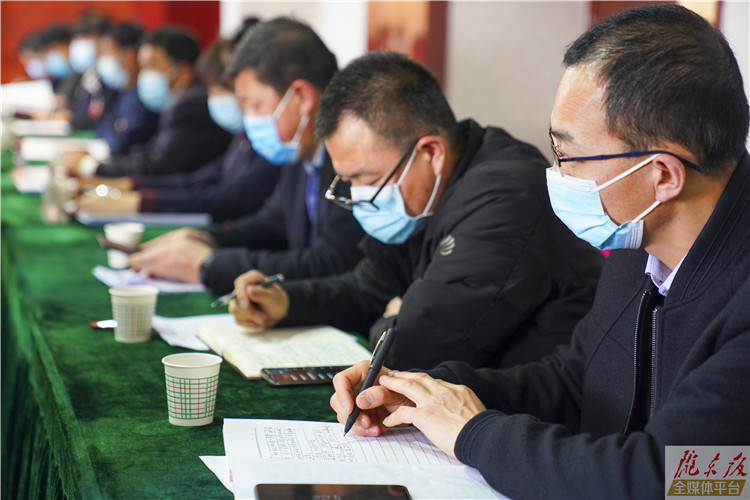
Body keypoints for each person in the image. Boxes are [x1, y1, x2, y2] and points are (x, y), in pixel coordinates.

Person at [329, 5, 750, 497]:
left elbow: (671, 480)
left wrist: (474, 433)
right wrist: (428, 391)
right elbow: (574, 381)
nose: (556, 174)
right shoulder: (642, 241)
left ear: (662, 176)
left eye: (568, 156)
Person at [229, 51, 604, 370]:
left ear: (431, 153)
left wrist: (392, 319)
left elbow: (410, 350)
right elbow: (368, 288)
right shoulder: (422, 197)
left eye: (367, 178)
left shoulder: (505, 199)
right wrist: (287, 301)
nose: (358, 195)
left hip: (548, 412)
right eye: (348, 181)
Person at [129, 18, 365, 295]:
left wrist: (209, 265)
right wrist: (206, 239)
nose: (249, 120)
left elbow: (331, 262)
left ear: (302, 98)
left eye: (254, 105)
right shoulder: (299, 150)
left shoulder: (355, 160)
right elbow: (275, 223)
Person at [75, 33, 281, 223]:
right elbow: (202, 179)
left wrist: (138, 200)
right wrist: (131, 186)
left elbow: (230, 197)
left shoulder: (269, 140)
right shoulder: (244, 135)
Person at [63, 25, 232, 178]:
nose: (144, 74)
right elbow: (150, 151)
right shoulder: (175, 101)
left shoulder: (191, 105)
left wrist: (94, 167)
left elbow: (157, 164)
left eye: (152, 66)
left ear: (183, 73)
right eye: (142, 66)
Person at [91, 22, 159, 155]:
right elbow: (101, 125)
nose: (102, 59)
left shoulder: (149, 95)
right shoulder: (124, 89)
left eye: (107, 51)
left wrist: (112, 137)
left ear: (129, 55)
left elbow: (122, 142)